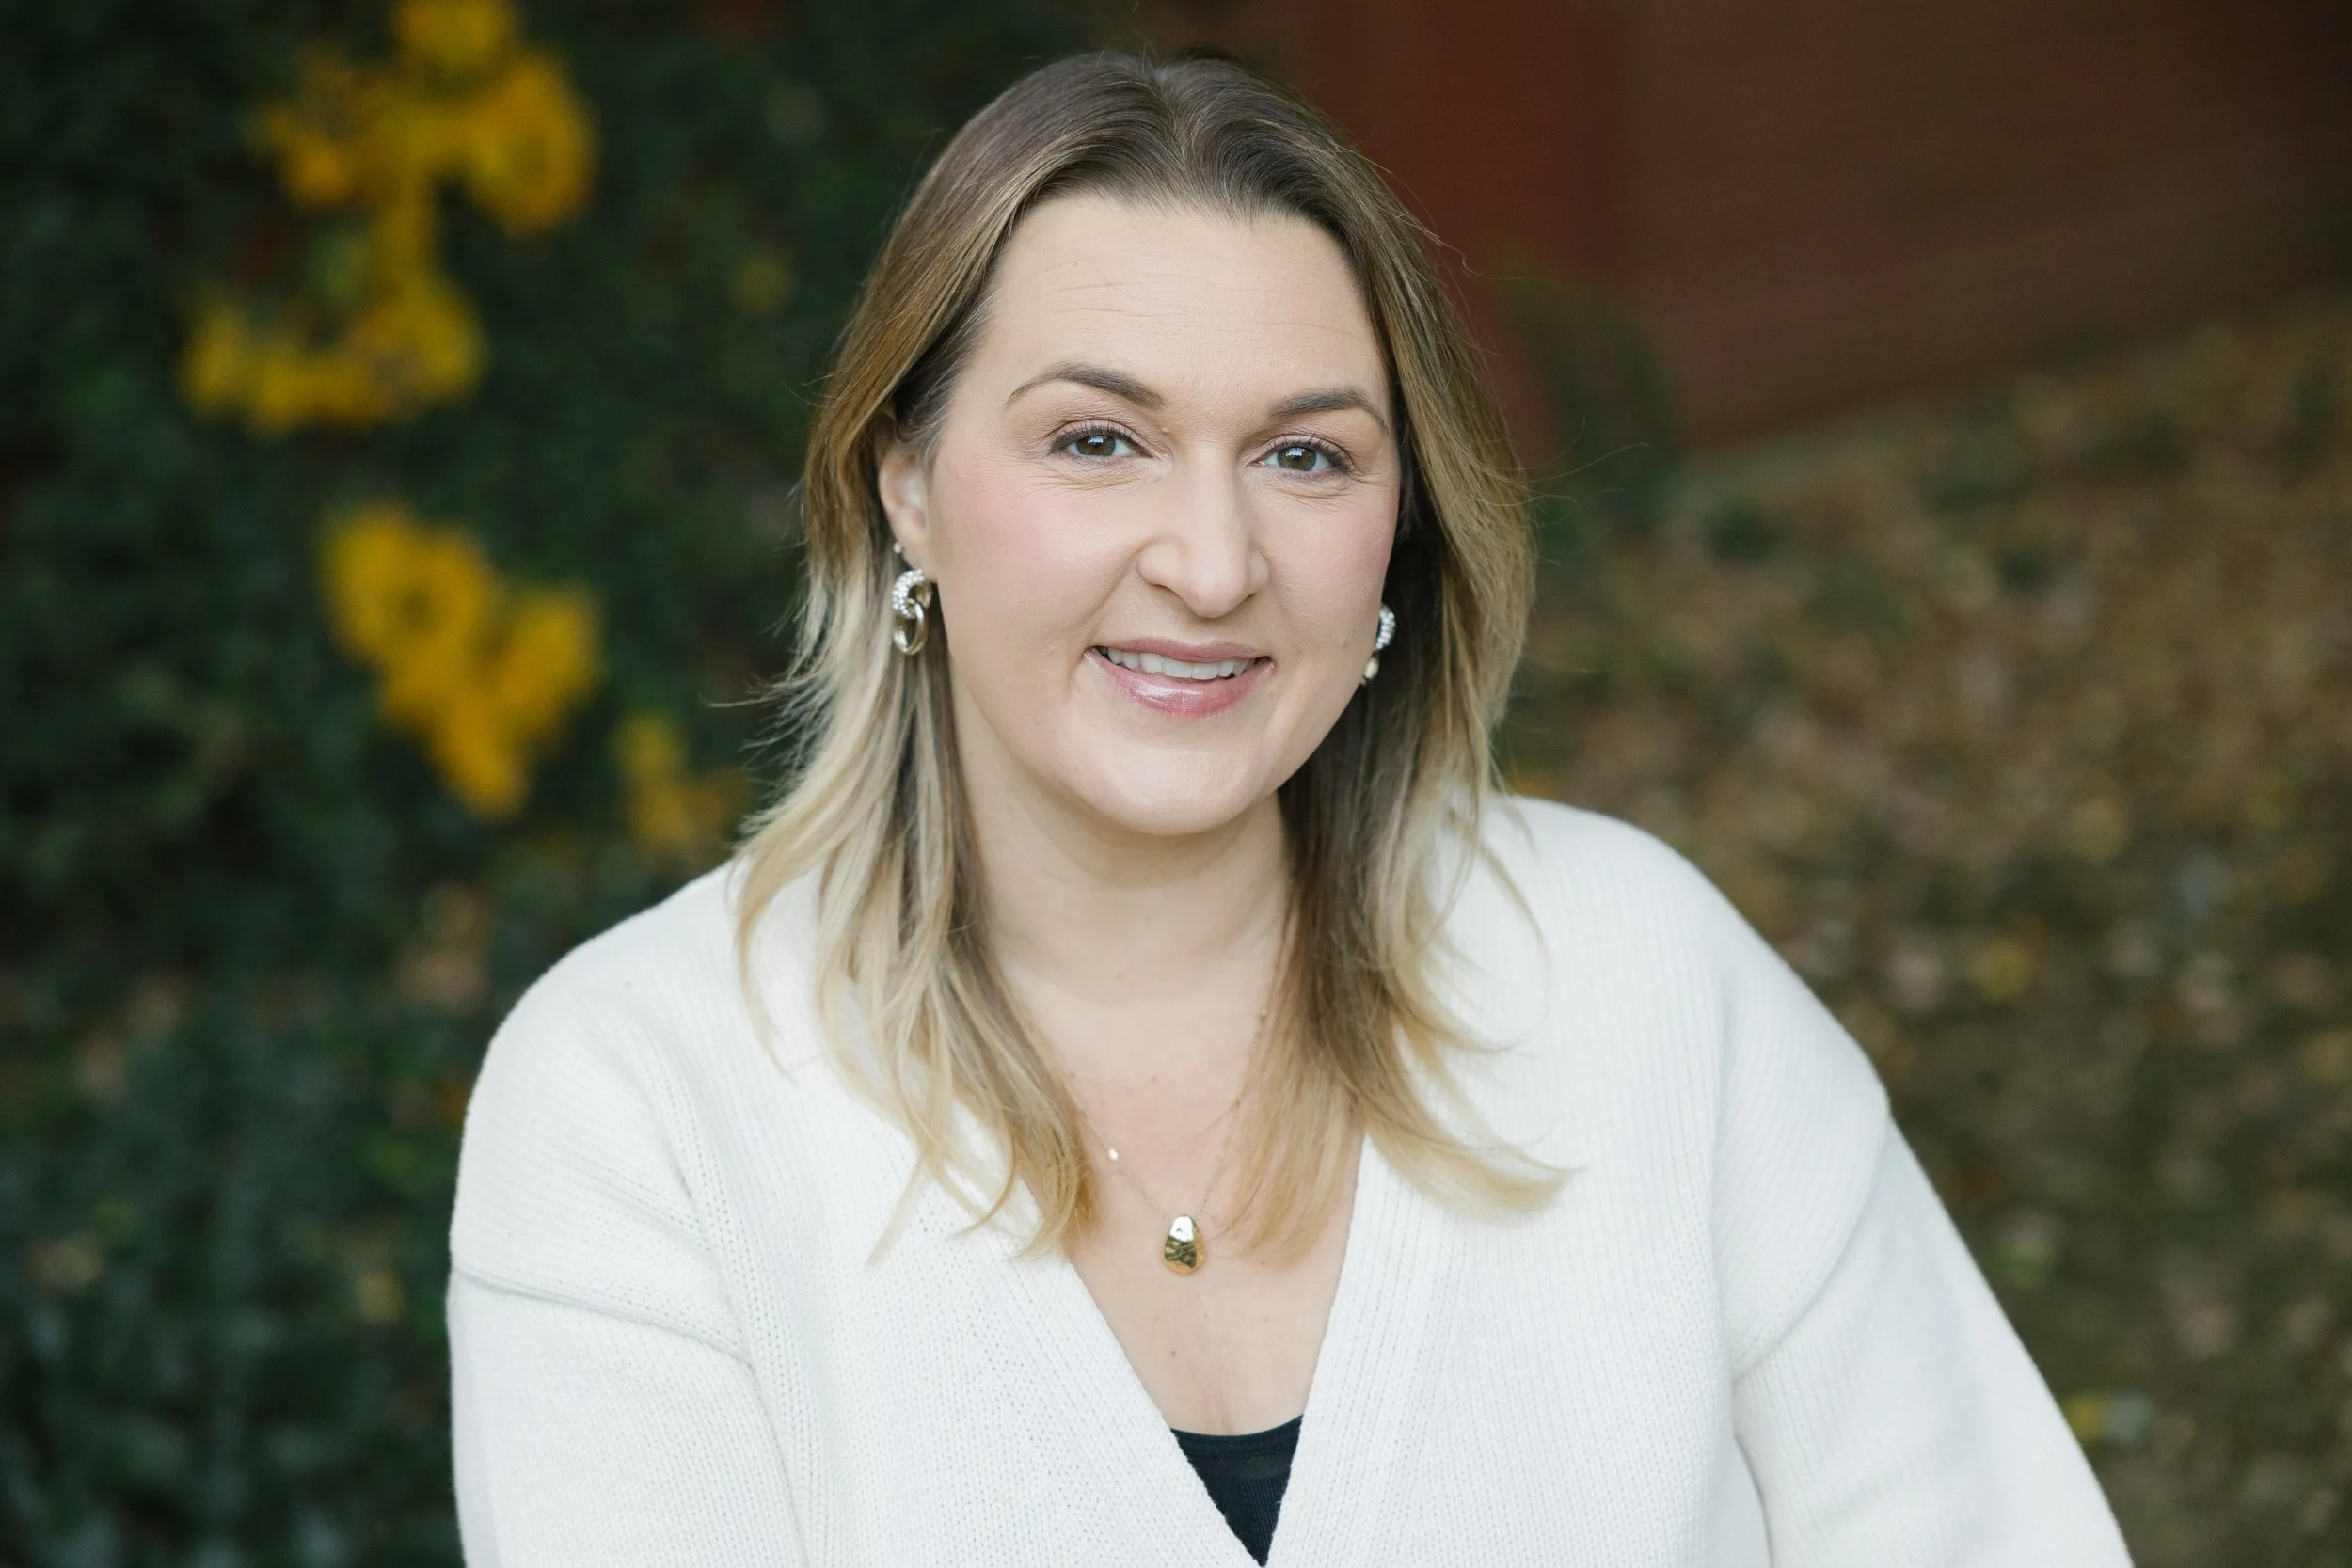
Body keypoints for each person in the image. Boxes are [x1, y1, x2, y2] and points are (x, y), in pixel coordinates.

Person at [445, 49, 2134, 1566]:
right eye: (1099, 440)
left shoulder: (1643, 981)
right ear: (906, 489)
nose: (1210, 562)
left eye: (1305, 456)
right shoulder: (638, 1106)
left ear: (1400, 527)